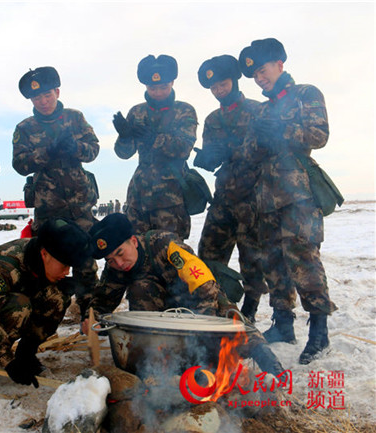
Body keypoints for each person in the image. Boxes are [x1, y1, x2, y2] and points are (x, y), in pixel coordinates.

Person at [82, 213, 284, 376]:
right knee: (140, 288)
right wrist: (90, 319)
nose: (118, 263)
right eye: (110, 260)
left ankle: (268, 361)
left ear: (133, 241)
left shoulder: (165, 245)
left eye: (120, 253)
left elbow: (205, 287)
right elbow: (102, 301)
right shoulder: (116, 268)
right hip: (160, 319)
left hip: (199, 303)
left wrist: (202, 334)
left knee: (232, 324)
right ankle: (156, 360)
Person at [238, 38, 337, 364]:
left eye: (262, 71)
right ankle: (283, 325)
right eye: (255, 75)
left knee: (304, 261)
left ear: (279, 64)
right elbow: (250, 154)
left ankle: (319, 332)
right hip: (266, 200)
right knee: (273, 263)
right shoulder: (262, 109)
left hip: (298, 196)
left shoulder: (306, 94)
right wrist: (258, 140)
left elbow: (319, 135)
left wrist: (282, 130)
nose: (259, 79)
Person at [0, 218, 92, 393]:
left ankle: (26, 355)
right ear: (45, 254)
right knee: (19, 306)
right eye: (64, 265)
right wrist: (8, 362)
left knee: (57, 298)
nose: (67, 271)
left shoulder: (38, 256)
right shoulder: (1, 268)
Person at [12, 66, 100, 317]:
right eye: (37, 97)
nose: (43, 101)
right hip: (48, 207)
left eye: (47, 95)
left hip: (80, 204)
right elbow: (19, 164)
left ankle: (89, 312)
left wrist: (76, 148)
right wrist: (46, 152)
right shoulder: (25, 128)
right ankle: (45, 315)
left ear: (57, 92)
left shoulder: (75, 118)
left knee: (85, 259)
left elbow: (93, 149)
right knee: (47, 262)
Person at [193, 54, 271, 323]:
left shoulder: (258, 110)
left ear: (235, 81)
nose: (218, 90)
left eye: (223, 84)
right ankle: (216, 304)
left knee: (252, 258)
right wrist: (207, 159)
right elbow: (213, 157)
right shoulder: (212, 119)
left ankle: (250, 310)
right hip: (223, 197)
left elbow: (267, 150)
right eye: (214, 87)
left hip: (253, 197)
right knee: (208, 254)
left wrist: (232, 151)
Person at [112, 54, 197, 238]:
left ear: (172, 82)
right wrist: (124, 137)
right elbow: (124, 154)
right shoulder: (137, 112)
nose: (158, 92)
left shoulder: (184, 111)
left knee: (170, 250)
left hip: (171, 199)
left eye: (163, 87)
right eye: (152, 88)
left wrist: (155, 139)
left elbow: (184, 148)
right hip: (138, 198)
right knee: (137, 249)